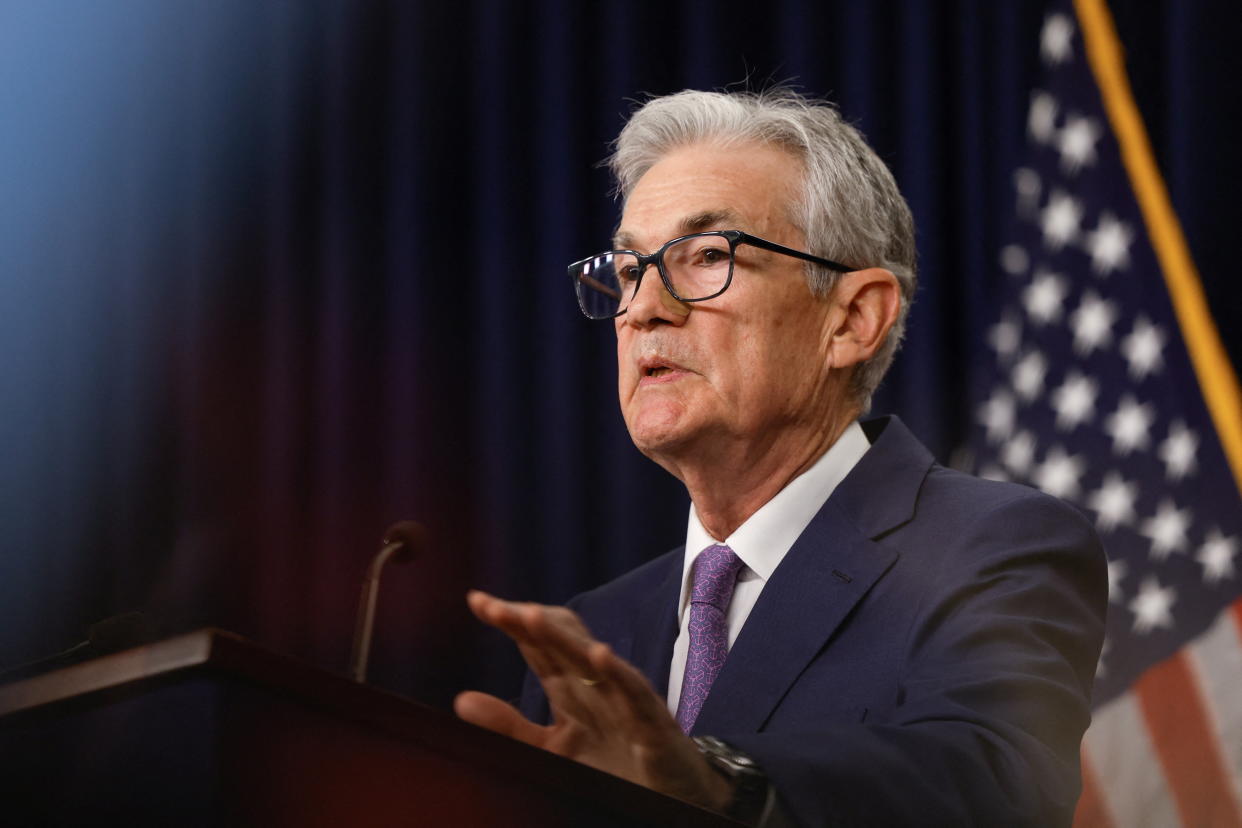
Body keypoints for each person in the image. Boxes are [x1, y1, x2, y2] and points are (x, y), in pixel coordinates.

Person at [454, 89, 1107, 826]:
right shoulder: (596, 633)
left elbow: (992, 779)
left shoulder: (994, 547)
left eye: (706, 256)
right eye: (631, 268)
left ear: (853, 320)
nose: (641, 309)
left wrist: (721, 780)